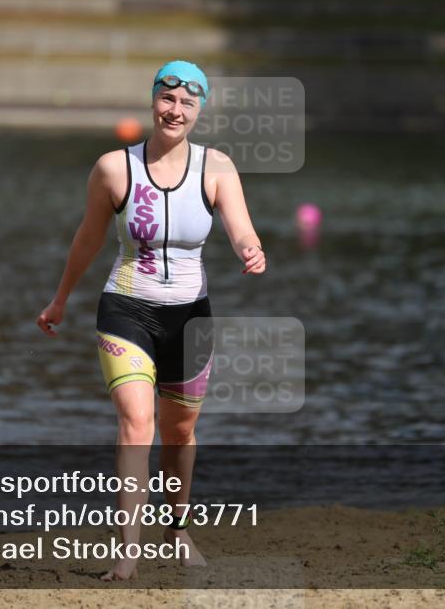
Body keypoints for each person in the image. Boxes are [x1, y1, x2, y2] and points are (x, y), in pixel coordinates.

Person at [36, 60, 266, 581]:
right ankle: (127, 552)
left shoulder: (218, 168)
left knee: (179, 434)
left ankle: (178, 528)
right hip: (126, 309)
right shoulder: (114, 168)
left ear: (199, 110)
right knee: (137, 424)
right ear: (153, 101)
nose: (175, 109)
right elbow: (88, 239)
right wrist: (59, 300)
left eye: (187, 102)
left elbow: (241, 230)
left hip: (190, 318)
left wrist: (253, 251)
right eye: (167, 98)